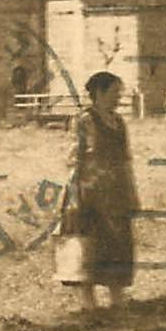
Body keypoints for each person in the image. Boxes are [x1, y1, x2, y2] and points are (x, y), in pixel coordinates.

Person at [60, 70, 139, 312]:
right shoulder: (84, 120)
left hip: (116, 190)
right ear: (99, 93)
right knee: (88, 242)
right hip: (90, 189)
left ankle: (116, 296)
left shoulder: (119, 122)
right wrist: (73, 193)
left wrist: (132, 191)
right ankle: (88, 300)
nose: (118, 98)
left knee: (119, 243)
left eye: (120, 93)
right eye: (114, 92)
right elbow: (73, 158)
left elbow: (126, 159)